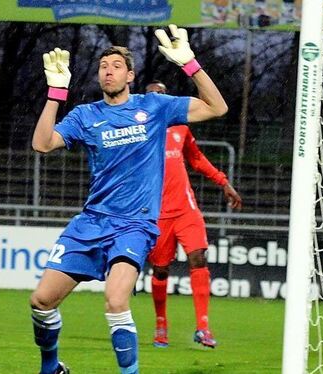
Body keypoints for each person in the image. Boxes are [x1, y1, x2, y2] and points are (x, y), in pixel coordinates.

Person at [29, 25, 228, 374]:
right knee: (42, 301)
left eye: (116, 65)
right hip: (91, 222)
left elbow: (217, 106)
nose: (108, 69)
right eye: (103, 65)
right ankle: (51, 368)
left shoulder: (154, 107)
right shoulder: (85, 116)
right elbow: (42, 143)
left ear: (130, 75)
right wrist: (55, 94)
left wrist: (190, 64)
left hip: (134, 224)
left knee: (117, 299)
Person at [144, 80, 242, 349]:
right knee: (161, 270)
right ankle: (161, 323)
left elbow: (196, 159)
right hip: (157, 214)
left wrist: (223, 182)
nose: (159, 99)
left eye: (163, 94)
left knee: (198, 257)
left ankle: (203, 327)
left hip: (186, 209)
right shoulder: (138, 133)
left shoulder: (180, 127)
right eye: (153, 95)